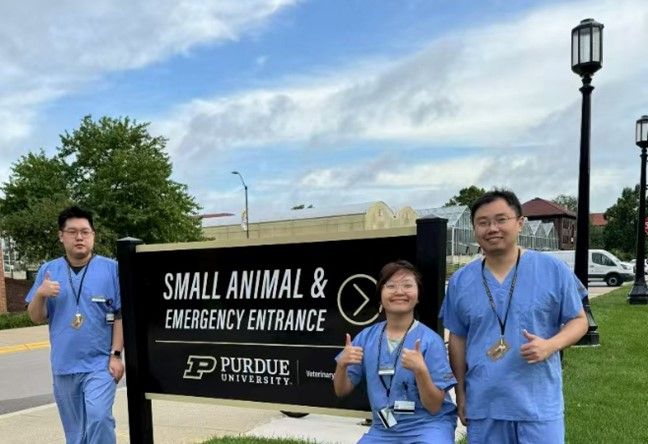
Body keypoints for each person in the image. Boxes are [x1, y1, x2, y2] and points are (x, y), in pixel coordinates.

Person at [440, 190, 588, 444]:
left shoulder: (552, 270)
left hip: (538, 405)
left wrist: (551, 345)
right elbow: (458, 338)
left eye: (501, 219)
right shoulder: (461, 281)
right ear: (475, 229)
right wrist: (460, 393)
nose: (492, 228)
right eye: (483, 222)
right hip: (484, 404)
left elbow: (579, 320)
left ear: (520, 223)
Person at [26, 206, 124, 444]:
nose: (79, 237)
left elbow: (120, 315)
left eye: (85, 232)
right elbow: (35, 317)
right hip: (64, 366)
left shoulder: (111, 269)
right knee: (75, 433)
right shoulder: (48, 271)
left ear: (93, 235)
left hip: (100, 364)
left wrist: (116, 355)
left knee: (99, 418)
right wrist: (40, 294)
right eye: (72, 232)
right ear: (61, 236)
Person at [334, 260, 457, 443]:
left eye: (407, 285)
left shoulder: (430, 341)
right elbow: (341, 391)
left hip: (427, 425)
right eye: (391, 286)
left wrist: (421, 371)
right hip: (384, 428)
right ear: (380, 295)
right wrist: (342, 366)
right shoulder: (366, 338)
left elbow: (434, 406)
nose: (399, 292)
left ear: (418, 295)